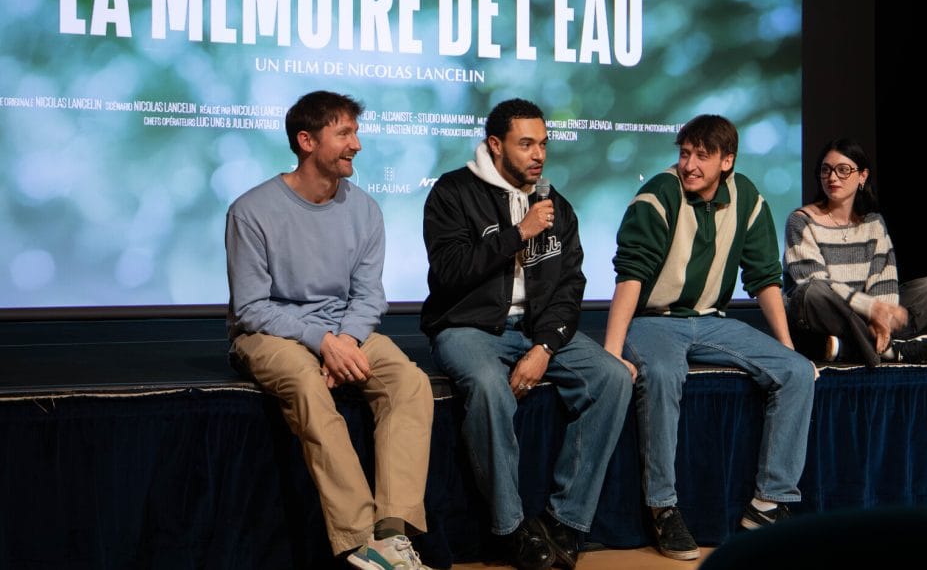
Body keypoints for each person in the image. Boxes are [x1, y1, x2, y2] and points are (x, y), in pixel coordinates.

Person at [225, 90, 434, 569]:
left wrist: (344, 341)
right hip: (271, 334)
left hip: (343, 329)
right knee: (305, 382)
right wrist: (322, 344)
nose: (356, 144)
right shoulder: (251, 210)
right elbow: (253, 308)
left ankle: (392, 533)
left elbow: (369, 296)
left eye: (355, 132)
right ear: (305, 141)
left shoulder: (364, 210)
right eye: (344, 132)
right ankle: (360, 539)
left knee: (410, 381)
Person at [421, 98, 632, 570]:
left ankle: (565, 522)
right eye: (526, 144)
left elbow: (570, 285)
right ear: (495, 145)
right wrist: (518, 233)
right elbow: (450, 272)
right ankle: (510, 528)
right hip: (467, 327)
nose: (539, 154)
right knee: (490, 389)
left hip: (536, 330)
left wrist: (544, 346)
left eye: (543, 144)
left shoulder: (556, 204)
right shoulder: (453, 192)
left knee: (613, 379)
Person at [602, 114, 816, 561]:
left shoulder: (748, 197)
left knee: (796, 371)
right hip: (654, 321)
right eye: (684, 154)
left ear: (726, 161)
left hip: (712, 321)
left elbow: (763, 279)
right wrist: (611, 352)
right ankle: (663, 507)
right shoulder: (658, 194)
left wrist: (787, 346)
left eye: (702, 156)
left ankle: (769, 503)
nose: (689, 165)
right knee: (662, 373)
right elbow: (631, 276)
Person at [783, 138, 927, 366]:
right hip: (824, 313)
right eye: (826, 170)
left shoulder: (873, 223)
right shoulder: (801, 220)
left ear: (862, 176)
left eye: (843, 170)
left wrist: (882, 315)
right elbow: (814, 280)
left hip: (864, 314)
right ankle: (890, 351)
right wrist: (872, 308)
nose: (832, 177)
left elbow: (884, 280)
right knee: (811, 292)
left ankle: (850, 347)